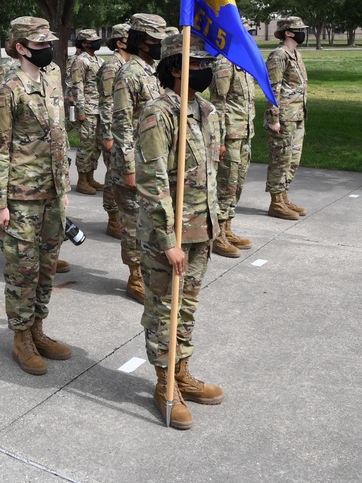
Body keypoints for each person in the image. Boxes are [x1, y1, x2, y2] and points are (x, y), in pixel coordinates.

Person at [135, 32, 224, 431]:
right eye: (198, 64)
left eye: (207, 64)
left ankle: (182, 370)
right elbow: (152, 182)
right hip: (166, 235)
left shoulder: (205, 110)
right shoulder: (159, 113)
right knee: (163, 310)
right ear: (175, 68)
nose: (206, 70)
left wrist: (215, 224)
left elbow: (210, 174)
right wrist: (169, 241)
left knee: (186, 307)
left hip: (200, 228)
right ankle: (164, 384)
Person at [0, 16, 72, 376]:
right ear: (21, 48)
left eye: (48, 43)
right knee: (23, 269)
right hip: (21, 195)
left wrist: (64, 188)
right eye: (39, 45)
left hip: (52, 192)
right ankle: (21, 337)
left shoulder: (52, 76)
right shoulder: (9, 89)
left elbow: (60, 135)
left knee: (47, 266)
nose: (47, 50)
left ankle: (38, 328)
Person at [111, 13, 167, 302]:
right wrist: (129, 167)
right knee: (133, 222)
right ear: (142, 42)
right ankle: (135, 276)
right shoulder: (128, 74)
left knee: (152, 220)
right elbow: (120, 123)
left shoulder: (152, 70)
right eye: (156, 40)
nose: (160, 45)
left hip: (153, 158)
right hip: (133, 163)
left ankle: (149, 269)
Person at [210, 53, 256, 256]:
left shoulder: (244, 61)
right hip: (229, 134)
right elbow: (218, 104)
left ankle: (227, 228)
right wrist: (219, 138)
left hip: (244, 132)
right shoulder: (224, 63)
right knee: (225, 184)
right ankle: (216, 235)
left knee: (237, 183)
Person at [265, 17, 309, 220]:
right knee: (281, 160)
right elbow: (272, 89)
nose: (303, 32)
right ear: (288, 32)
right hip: (283, 118)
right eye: (299, 29)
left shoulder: (296, 54)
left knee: (293, 160)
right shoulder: (278, 55)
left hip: (298, 115)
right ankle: (276, 203)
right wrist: (274, 118)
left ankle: (284, 197)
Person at [95, 23, 129, 238]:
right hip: (113, 130)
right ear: (119, 42)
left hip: (127, 130)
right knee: (113, 176)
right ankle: (113, 218)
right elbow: (107, 102)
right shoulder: (112, 67)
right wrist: (107, 134)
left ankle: (124, 216)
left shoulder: (131, 64)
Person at [68, 28, 105, 195]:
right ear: (84, 43)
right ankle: (82, 179)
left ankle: (91, 176)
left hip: (99, 108)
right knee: (86, 144)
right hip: (87, 109)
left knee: (96, 145)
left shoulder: (99, 60)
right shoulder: (80, 61)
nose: (97, 42)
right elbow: (77, 86)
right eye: (93, 40)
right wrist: (80, 110)